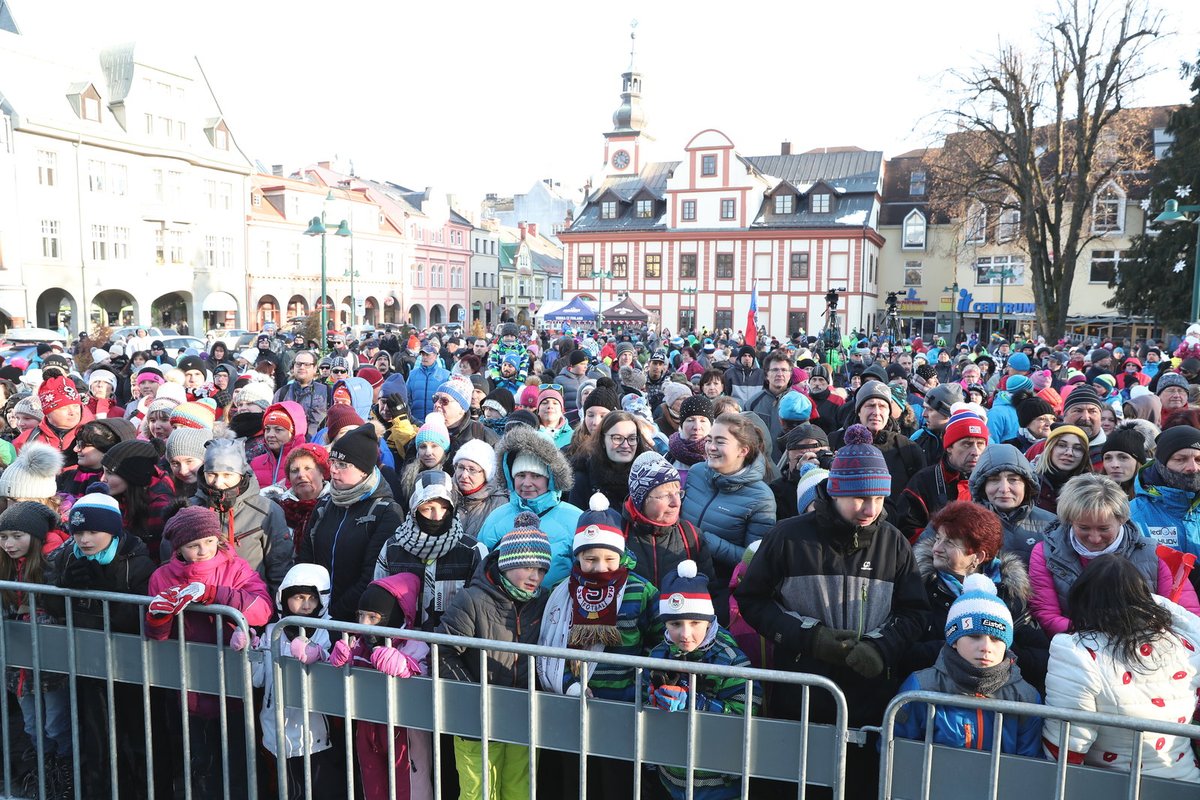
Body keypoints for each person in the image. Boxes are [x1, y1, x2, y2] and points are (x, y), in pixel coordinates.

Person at [734, 423, 929, 760]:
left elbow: (914, 612)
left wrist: (881, 647)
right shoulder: (787, 537)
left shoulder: (893, 541)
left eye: (879, 497)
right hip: (802, 693)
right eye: (859, 497)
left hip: (871, 698)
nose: (870, 509)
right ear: (835, 491)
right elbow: (752, 600)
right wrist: (809, 637)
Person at [537, 493, 662, 797]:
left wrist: (644, 688)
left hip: (625, 710)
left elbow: (660, 644)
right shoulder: (561, 593)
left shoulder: (640, 590)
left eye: (609, 558)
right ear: (578, 557)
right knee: (577, 782)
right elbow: (548, 650)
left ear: (621, 555)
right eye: (590, 559)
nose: (599, 567)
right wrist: (570, 685)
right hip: (575, 705)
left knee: (617, 784)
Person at [144, 506, 271, 799]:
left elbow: (262, 610)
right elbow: (157, 637)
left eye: (210, 542)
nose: (203, 550)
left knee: (240, 763)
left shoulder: (235, 568)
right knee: (201, 764)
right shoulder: (163, 576)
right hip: (189, 688)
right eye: (193, 546)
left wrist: (214, 594)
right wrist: (158, 617)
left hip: (235, 687)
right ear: (179, 548)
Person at [1043, 555, 1200, 781]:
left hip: (1117, 786)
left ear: (1082, 597)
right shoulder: (1185, 640)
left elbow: (1066, 746)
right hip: (1185, 781)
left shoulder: (1076, 651)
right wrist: (1146, 601)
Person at [43, 491, 155, 800]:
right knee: (94, 738)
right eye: (78, 531)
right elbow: (50, 604)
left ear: (113, 530)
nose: (85, 539)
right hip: (87, 661)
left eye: (94, 531)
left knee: (136, 737)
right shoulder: (66, 555)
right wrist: (65, 587)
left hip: (132, 665)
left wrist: (108, 592)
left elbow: (141, 619)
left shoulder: (136, 560)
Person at [436, 513, 552, 800]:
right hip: (476, 718)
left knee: (519, 790)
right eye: (527, 567)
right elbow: (443, 650)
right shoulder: (473, 598)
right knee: (479, 791)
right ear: (508, 563)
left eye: (541, 569)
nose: (535, 576)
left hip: (522, 715)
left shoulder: (544, 601)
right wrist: (475, 694)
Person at [643, 559, 762, 800]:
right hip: (672, 776)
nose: (685, 634)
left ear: (708, 620)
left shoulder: (730, 660)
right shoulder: (657, 655)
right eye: (676, 624)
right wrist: (652, 698)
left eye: (695, 623)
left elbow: (747, 715)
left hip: (719, 780)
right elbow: (644, 703)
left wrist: (697, 704)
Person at [1028, 474, 1200, 637]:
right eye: (1084, 528)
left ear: (1122, 519)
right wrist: (1099, 636)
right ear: (1069, 520)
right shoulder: (1045, 553)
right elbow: (1046, 614)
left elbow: (1186, 615)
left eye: (1104, 528)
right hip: (1077, 649)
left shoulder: (1154, 553)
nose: (1094, 538)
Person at [895, 572, 1043, 756]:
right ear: (954, 639)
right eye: (974, 636)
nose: (986, 647)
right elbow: (898, 756)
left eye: (996, 639)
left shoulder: (1026, 697)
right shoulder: (920, 688)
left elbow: (1030, 767)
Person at [905, 501, 1048, 691]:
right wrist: (960, 647)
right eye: (938, 538)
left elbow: (1039, 657)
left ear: (978, 557)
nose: (936, 549)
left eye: (949, 543)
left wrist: (997, 653)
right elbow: (905, 650)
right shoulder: (922, 586)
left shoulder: (1009, 592)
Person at [328, 573, 433, 800]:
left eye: (373, 617)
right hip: (367, 730)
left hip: (405, 735)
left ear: (392, 617)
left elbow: (425, 672)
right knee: (373, 787)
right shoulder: (358, 642)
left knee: (410, 789)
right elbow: (343, 669)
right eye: (361, 616)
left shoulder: (413, 642)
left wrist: (405, 666)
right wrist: (338, 660)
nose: (364, 625)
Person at [0, 502, 72, 795]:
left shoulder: (52, 563)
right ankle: (42, 771)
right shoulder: (5, 566)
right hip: (17, 661)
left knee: (56, 722)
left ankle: (64, 772)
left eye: (17, 535)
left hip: (50, 656)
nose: (9, 543)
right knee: (31, 724)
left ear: (35, 535)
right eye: (4, 536)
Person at [297, 424, 402, 622]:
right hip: (316, 615)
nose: (333, 470)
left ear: (364, 470)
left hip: (356, 621)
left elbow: (373, 574)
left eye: (343, 465)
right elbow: (306, 559)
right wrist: (311, 605)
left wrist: (335, 612)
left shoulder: (386, 511)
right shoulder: (325, 504)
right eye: (333, 462)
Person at [680, 412, 776, 620]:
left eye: (720, 442)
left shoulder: (761, 497)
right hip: (679, 574)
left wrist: (704, 540)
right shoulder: (696, 472)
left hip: (719, 589)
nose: (711, 447)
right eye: (710, 440)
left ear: (743, 450)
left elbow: (753, 558)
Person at [374, 469, 485, 630]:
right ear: (414, 509)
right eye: (427, 508)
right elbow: (378, 599)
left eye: (444, 508)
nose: (436, 516)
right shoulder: (393, 547)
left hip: (452, 647)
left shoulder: (472, 551)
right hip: (402, 645)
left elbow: (480, 607)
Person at [475, 424, 582, 588]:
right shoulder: (496, 517)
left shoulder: (575, 519)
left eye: (536, 476)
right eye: (520, 475)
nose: (527, 483)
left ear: (550, 478)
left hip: (554, 609)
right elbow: (479, 569)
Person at [189, 437, 293, 594]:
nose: (218, 483)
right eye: (211, 474)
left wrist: (273, 609)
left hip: (252, 604)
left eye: (227, 475)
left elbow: (279, 567)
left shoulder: (266, 510)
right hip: (200, 606)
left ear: (242, 474)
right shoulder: (189, 510)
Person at [830, 380, 927, 520]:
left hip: (893, 531)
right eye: (870, 405)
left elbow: (919, 499)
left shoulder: (908, 448)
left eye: (882, 406)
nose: (876, 412)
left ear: (889, 412)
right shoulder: (835, 441)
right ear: (858, 410)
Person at [898, 410, 990, 542]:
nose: (975, 452)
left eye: (980, 444)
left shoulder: (991, 481)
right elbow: (907, 531)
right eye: (967, 444)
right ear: (949, 447)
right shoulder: (924, 481)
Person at [968, 443, 1055, 565]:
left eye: (1013, 479)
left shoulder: (1053, 525)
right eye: (994, 480)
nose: (1004, 489)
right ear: (982, 486)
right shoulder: (960, 523)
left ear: (1027, 485)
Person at [1129, 425, 1200, 563]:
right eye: (1180, 459)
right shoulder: (1134, 514)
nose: (1193, 468)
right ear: (1161, 465)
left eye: (1199, 460)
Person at [100, 439, 176, 560]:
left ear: (132, 476)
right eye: (103, 471)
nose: (102, 479)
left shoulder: (160, 506)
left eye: (110, 473)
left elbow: (159, 557)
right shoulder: (119, 497)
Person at [567, 410, 649, 510]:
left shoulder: (648, 476)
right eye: (617, 438)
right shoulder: (583, 479)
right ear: (602, 441)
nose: (625, 445)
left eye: (631, 439)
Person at [451, 439, 506, 542]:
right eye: (461, 467)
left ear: (486, 474)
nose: (464, 475)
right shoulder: (444, 491)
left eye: (472, 470)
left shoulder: (499, 504)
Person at [1033, 424, 1092, 514]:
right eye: (1062, 445)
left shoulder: (1091, 488)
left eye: (1078, 448)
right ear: (1050, 448)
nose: (1069, 453)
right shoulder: (1029, 481)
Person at [250, 401, 308, 490]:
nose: (270, 434)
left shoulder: (308, 461)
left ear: (294, 432)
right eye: (267, 429)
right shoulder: (256, 462)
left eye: (278, 430)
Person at [272, 350, 330, 433]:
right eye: (298, 364)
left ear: (314, 368)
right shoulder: (282, 393)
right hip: (288, 443)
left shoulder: (326, 392)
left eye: (307, 365)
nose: (302, 367)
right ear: (293, 367)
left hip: (318, 443)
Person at [406, 343, 451, 425]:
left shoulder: (445, 375)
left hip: (437, 422)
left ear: (435, 356)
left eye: (427, 355)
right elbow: (407, 397)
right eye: (423, 354)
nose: (424, 357)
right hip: (415, 421)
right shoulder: (412, 374)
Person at [1099, 424, 1148, 499]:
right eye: (1108, 458)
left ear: (1138, 461)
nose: (1115, 465)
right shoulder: (1092, 495)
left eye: (1123, 457)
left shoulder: (1155, 498)